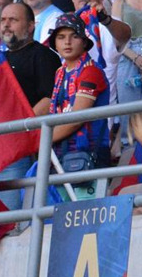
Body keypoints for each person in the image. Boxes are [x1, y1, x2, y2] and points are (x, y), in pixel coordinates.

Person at [0, 2, 63, 207]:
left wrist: (18, 128)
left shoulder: (44, 56)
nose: (6, 25)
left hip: (22, 148)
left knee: (11, 214)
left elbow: (50, 100)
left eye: (13, 20)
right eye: (3, 20)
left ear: (31, 26)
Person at [47, 15, 111, 194]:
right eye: (61, 37)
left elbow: (76, 119)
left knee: (87, 210)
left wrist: (41, 141)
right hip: (62, 154)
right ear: (55, 44)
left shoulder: (91, 70)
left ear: (84, 41)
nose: (67, 42)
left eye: (74, 36)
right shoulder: (60, 72)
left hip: (90, 154)